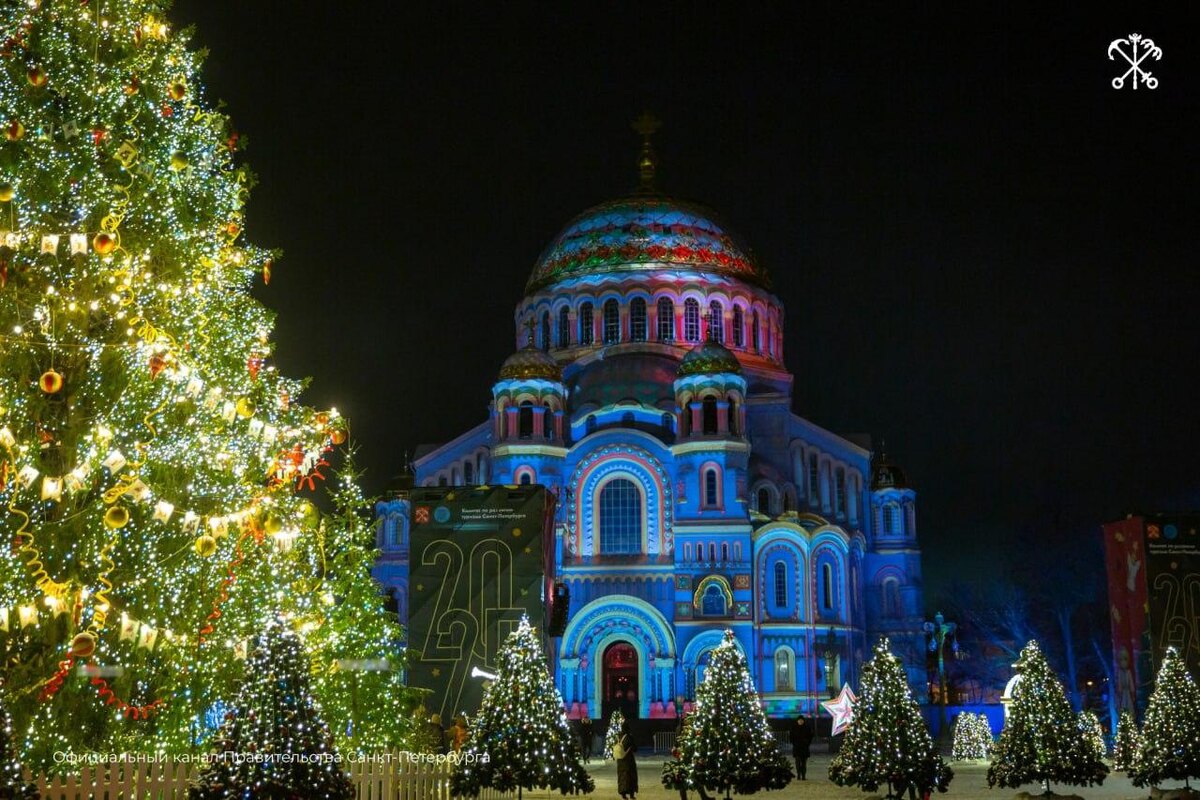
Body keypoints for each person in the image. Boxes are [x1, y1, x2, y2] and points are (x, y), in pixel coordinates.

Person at [616, 721, 638, 800]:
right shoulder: (629, 737)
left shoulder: (619, 736)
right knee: (631, 777)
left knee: (622, 777)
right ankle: (631, 795)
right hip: (629, 760)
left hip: (620, 760)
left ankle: (623, 795)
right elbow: (635, 748)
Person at [791, 716, 814, 780]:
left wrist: (807, 743)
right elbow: (791, 737)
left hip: (804, 748)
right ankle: (798, 775)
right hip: (797, 748)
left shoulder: (807, 728)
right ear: (797, 721)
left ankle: (803, 776)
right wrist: (794, 743)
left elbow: (810, 736)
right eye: (799, 720)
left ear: (803, 721)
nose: (800, 721)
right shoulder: (794, 728)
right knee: (797, 763)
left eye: (801, 720)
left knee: (804, 763)